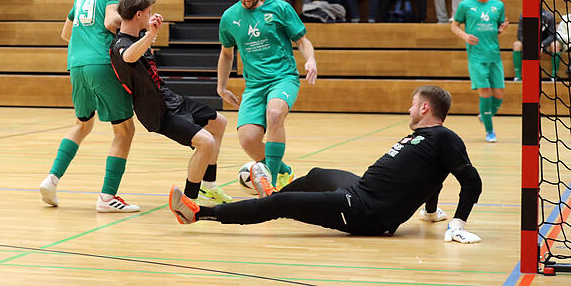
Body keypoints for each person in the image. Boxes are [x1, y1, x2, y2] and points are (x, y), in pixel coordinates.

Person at [170, 86, 484, 250]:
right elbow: (435, 178)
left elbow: (471, 181)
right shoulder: (429, 140)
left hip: (366, 213)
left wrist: (456, 224)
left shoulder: (443, 137)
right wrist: (430, 213)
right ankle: (271, 190)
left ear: (425, 108)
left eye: (413, 104)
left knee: (282, 206)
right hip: (360, 190)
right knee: (318, 174)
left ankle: (197, 213)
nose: (409, 108)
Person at [39, 0, 146, 213]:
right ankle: (108, 197)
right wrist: (141, 24)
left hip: (76, 63)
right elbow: (112, 21)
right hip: (102, 63)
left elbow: (66, 33)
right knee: (124, 130)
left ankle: (51, 180)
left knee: (82, 124)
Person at [110, 0, 231, 204]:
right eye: (148, 13)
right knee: (206, 142)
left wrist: (151, 33)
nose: (150, 16)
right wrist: (149, 35)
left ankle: (208, 186)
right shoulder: (120, 43)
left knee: (219, 123)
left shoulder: (139, 39)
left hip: (170, 98)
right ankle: (188, 201)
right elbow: (128, 57)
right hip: (156, 110)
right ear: (138, 15)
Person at [217, 0, 317, 188]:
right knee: (248, 140)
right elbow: (226, 54)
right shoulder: (229, 17)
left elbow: (302, 40)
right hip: (254, 85)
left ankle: (269, 181)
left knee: (274, 114)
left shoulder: (280, 9)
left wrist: (310, 59)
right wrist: (221, 87)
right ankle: (284, 171)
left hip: (283, 77)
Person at [451, 0, 507, 142]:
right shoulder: (466, 5)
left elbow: (497, 29)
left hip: (494, 56)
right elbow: (454, 25)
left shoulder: (498, 6)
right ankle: (490, 132)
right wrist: (465, 36)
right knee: (485, 92)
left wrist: (501, 30)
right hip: (476, 57)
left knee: (499, 95)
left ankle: (485, 115)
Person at [514, 9, 562, 81]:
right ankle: (517, 76)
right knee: (517, 44)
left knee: (556, 45)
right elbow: (520, 35)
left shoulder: (548, 16)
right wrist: (530, 43)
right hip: (530, 43)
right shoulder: (524, 15)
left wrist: (542, 44)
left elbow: (552, 36)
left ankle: (554, 76)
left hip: (545, 44)